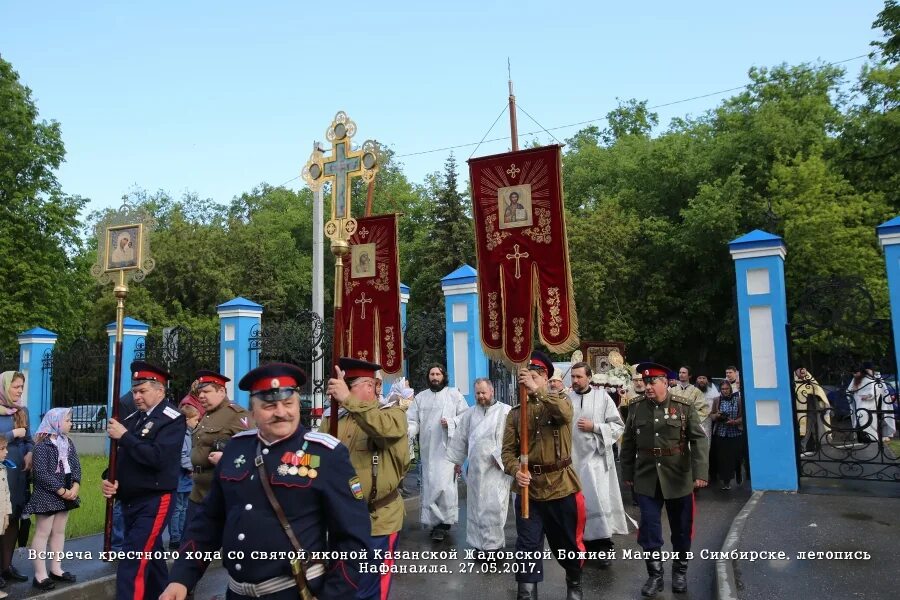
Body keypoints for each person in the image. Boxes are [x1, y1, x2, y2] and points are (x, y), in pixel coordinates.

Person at [161, 362, 373, 600]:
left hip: (294, 592)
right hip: (237, 593)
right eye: (270, 405)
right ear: (253, 410)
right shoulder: (236, 449)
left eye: (288, 403)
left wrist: (334, 595)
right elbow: (208, 522)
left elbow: (353, 541)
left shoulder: (326, 454)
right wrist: (181, 577)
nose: (281, 412)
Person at [322, 358, 410, 600]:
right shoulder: (333, 420)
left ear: (370, 387)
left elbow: (382, 429)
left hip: (377, 519)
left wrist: (348, 401)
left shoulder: (392, 414)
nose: (343, 388)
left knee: (369, 591)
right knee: (341, 586)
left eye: (349, 383)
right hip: (340, 519)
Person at [501, 351, 586, 600]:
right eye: (526, 377)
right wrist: (516, 470)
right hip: (530, 490)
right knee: (527, 547)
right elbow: (507, 452)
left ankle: (574, 584)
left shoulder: (561, 401)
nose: (529, 381)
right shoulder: (515, 413)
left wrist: (537, 390)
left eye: (536, 376)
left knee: (566, 544)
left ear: (546, 377)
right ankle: (526, 593)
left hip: (560, 486)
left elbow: (565, 415)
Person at [620, 362, 709, 597]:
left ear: (665, 383)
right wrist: (627, 473)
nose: (647, 386)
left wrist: (700, 473)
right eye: (644, 382)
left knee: (681, 529)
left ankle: (680, 572)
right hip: (647, 477)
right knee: (649, 528)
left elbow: (699, 440)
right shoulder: (636, 407)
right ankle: (655, 576)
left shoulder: (683, 406)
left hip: (678, 477)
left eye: (652, 382)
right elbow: (628, 441)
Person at [101, 361, 186, 600]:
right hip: (130, 499)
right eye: (134, 391)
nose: (136, 396)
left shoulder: (172, 418)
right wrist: (110, 478)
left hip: (154, 499)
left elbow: (157, 458)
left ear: (160, 390)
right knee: (153, 558)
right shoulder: (132, 417)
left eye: (142, 391)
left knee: (132, 562)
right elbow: (124, 458)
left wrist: (125, 436)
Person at [567, 362, 633, 567]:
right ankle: (581, 547)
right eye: (573, 377)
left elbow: (617, 426)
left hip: (596, 462)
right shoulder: (566, 399)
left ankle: (603, 548)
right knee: (578, 506)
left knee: (598, 502)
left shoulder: (602, 397)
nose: (575, 380)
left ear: (589, 377)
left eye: (579, 377)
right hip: (573, 461)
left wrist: (594, 427)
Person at [446, 378, 512, 554]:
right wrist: (457, 462)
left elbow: (512, 440)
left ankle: (494, 547)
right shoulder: (469, 414)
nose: (481, 396)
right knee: (475, 508)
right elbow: (460, 439)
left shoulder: (506, 412)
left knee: (495, 507)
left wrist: (505, 460)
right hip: (475, 469)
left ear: (492, 392)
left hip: (497, 469)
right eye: (477, 393)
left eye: (483, 392)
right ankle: (478, 544)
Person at [407, 364, 468, 541]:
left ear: (444, 376)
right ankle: (434, 524)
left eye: (438, 374)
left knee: (445, 487)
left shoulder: (454, 394)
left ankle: (444, 523)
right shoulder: (420, 397)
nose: (435, 377)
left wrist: (450, 421)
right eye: (432, 374)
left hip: (447, 450)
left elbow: (465, 416)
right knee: (430, 486)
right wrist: (408, 430)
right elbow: (412, 420)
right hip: (428, 451)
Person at [186, 370, 252, 527]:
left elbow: (251, 449)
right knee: (190, 547)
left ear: (221, 391)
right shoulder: (206, 416)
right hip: (197, 493)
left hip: (221, 493)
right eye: (199, 392)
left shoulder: (236, 415)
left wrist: (227, 459)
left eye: (206, 391)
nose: (201, 396)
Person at [23, 408, 80, 590]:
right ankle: (40, 575)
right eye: (68, 420)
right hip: (47, 495)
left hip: (66, 494)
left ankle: (56, 568)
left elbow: (76, 466)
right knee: (42, 533)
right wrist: (61, 490)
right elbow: (40, 473)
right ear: (55, 422)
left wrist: (76, 486)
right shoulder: (42, 446)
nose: (71, 423)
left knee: (59, 531)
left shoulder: (68, 443)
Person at [0, 371, 31, 587]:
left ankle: (6, 566)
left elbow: (29, 438)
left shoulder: (22, 410)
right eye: (15, 387)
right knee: (1, 520)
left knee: (14, 520)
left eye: (21, 387)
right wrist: (14, 434)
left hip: (20, 474)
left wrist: (29, 452)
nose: (20, 391)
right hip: (2, 474)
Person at [168, 403, 199, 550]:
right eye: (195, 420)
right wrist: (191, 468)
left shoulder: (188, 434)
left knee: (184, 507)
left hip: (186, 479)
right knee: (178, 508)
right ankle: (175, 537)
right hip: (181, 478)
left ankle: (182, 534)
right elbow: (182, 455)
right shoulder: (182, 435)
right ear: (186, 420)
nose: (197, 422)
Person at [847, 363, 896, 443]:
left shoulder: (874, 378)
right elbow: (849, 390)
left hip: (874, 404)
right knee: (861, 419)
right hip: (860, 403)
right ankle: (863, 438)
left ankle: (873, 438)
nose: (855, 374)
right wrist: (853, 391)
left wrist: (869, 396)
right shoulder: (856, 379)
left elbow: (877, 390)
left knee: (871, 419)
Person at [709, 381, 744, 490]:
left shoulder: (738, 400)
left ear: (730, 389)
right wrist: (717, 416)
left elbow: (744, 416)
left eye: (727, 389)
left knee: (736, 457)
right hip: (721, 433)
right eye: (723, 389)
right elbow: (711, 415)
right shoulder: (717, 400)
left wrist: (735, 422)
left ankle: (738, 473)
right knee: (724, 459)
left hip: (735, 432)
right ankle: (726, 482)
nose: (725, 391)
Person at [793, 367, 831, 454]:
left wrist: (821, 402)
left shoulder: (810, 380)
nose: (803, 372)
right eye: (800, 370)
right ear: (796, 371)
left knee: (811, 425)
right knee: (803, 427)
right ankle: (803, 446)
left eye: (804, 370)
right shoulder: (793, 381)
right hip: (799, 409)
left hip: (811, 406)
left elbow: (818, 391)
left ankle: (812, 445)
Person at [0, 437, 12, 598]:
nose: (6, 451)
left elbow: (6, 493)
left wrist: (7, 514)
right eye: (2, 449)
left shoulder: (3, 468)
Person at [693, 373, 719, 438]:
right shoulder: (691, 390)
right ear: (696, 380)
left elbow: (717, 403)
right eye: (699, 378)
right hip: (695, 421)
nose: (702, 380)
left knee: (707, 440)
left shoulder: (713, 389)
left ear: (707, 380)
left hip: (709, 420)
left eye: (704, 378)